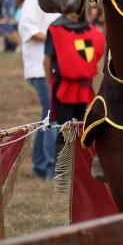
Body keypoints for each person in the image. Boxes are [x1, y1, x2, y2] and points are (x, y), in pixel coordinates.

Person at [45, 11, 105, 160]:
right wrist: (50, 82)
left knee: (78, 132)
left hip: (82, 89)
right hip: (65, 89)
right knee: (65, 133)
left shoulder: (93, 33)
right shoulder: (56, 30)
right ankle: (63, 173)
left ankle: (76, 171)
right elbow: (47, 60)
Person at [18, 0, 60, 179]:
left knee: (48, 115)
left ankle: (40, 167)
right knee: (51, 114)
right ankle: (49, 167)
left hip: (53, 68)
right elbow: (29, 30)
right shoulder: (33, 1)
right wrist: (59, 40)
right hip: (38, 67)